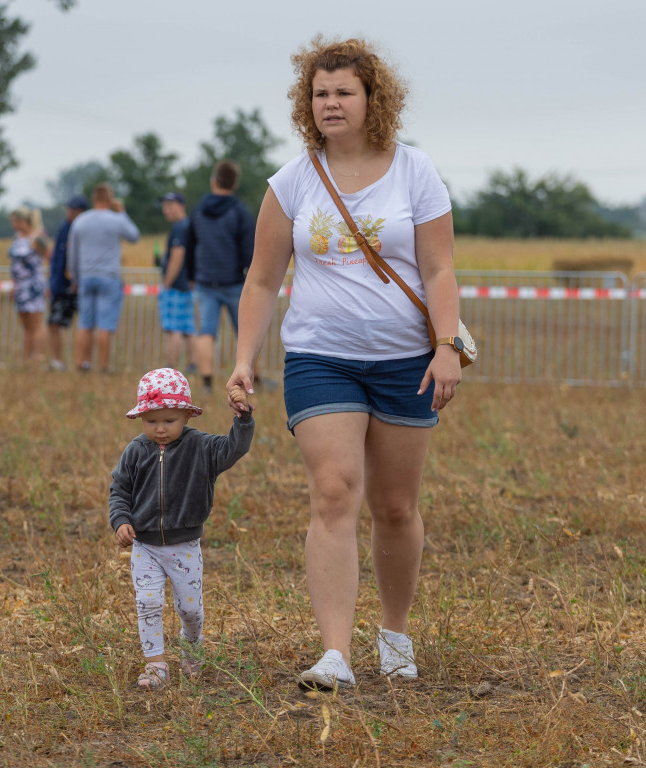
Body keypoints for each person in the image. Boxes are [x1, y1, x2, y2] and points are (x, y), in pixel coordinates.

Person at [225, 37, 462, 690]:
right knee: (333, 491)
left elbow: (440, 267)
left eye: (343, 92)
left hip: (405, 363)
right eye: (320, 93)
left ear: (371, 99)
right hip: (319, 359)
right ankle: (334, 653)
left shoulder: (415, 170)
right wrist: (244, 358)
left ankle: (394, 630)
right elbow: (262, 280)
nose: (330, 103)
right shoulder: (293, 180)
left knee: (394, 506)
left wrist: (447, 346)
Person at [109, 368, 254, 690]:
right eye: (151, 421)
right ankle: (156, 666)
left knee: (190, 610)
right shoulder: (136, 450)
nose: (160, 429)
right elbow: (119, 491)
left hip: (184, 546)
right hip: (144, 546)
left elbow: (235, 449)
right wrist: (121, 521)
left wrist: (243, 420)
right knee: (148, 603)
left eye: (169, 421)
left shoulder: (202, 448)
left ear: (187, 415)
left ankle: (192, 645)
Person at [186, 160, 255, 393]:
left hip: (205, 281)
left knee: (206, 332)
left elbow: (190, 243)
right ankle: (255, 380)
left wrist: (191, 273)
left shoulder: (198, 210)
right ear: (235, 183)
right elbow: (249, 248)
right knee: (247, 333)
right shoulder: (239, 211)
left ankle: (206, 382)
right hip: (234, 281)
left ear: (213, 181)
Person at [67, 183, 139, 372]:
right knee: (105, 324)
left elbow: (72, 252)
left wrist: (75, 278)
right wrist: (122, 211)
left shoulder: (81, 220)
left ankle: (82, 363)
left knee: (85, 323)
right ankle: (104, 366)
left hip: (86, 276)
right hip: (109, 277)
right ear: (110, 199)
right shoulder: (116, 219)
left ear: (93, 199)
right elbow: (134, 236)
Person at [47, 195, 88, 371]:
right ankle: (57, 362)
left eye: (74, 209)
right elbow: (57, 258)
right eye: (69, 209)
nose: (69, 212)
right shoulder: (64, 227)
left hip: (82, 283)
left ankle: (84, 361)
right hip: (61, 285)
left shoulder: (87, 228)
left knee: (86, 323)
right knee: (54, 323)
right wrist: (52, 283)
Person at [7, 206, 51, 366]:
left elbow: (50, 257)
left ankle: (38, 357)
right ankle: (26, 358)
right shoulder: (16, 238)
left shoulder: (38, 237)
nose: (14, 225)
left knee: (36, 322)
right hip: (19, 286)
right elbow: (14, 264)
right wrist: (12, 284)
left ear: (25, 221)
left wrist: (49, 282)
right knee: (25, 323)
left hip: (33, 285)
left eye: (16, 222)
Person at [158, 192, 197, 370]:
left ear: (182, 206)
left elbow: (177, 257)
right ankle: (192, 364)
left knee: (173, 328)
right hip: (187, 285)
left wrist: (167, 283)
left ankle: (170, 366)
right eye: (164, 206)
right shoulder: (188, 226)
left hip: (176, 285)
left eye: (170, 205)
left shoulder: (180, 228)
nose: (166, 209)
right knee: (188, 328)